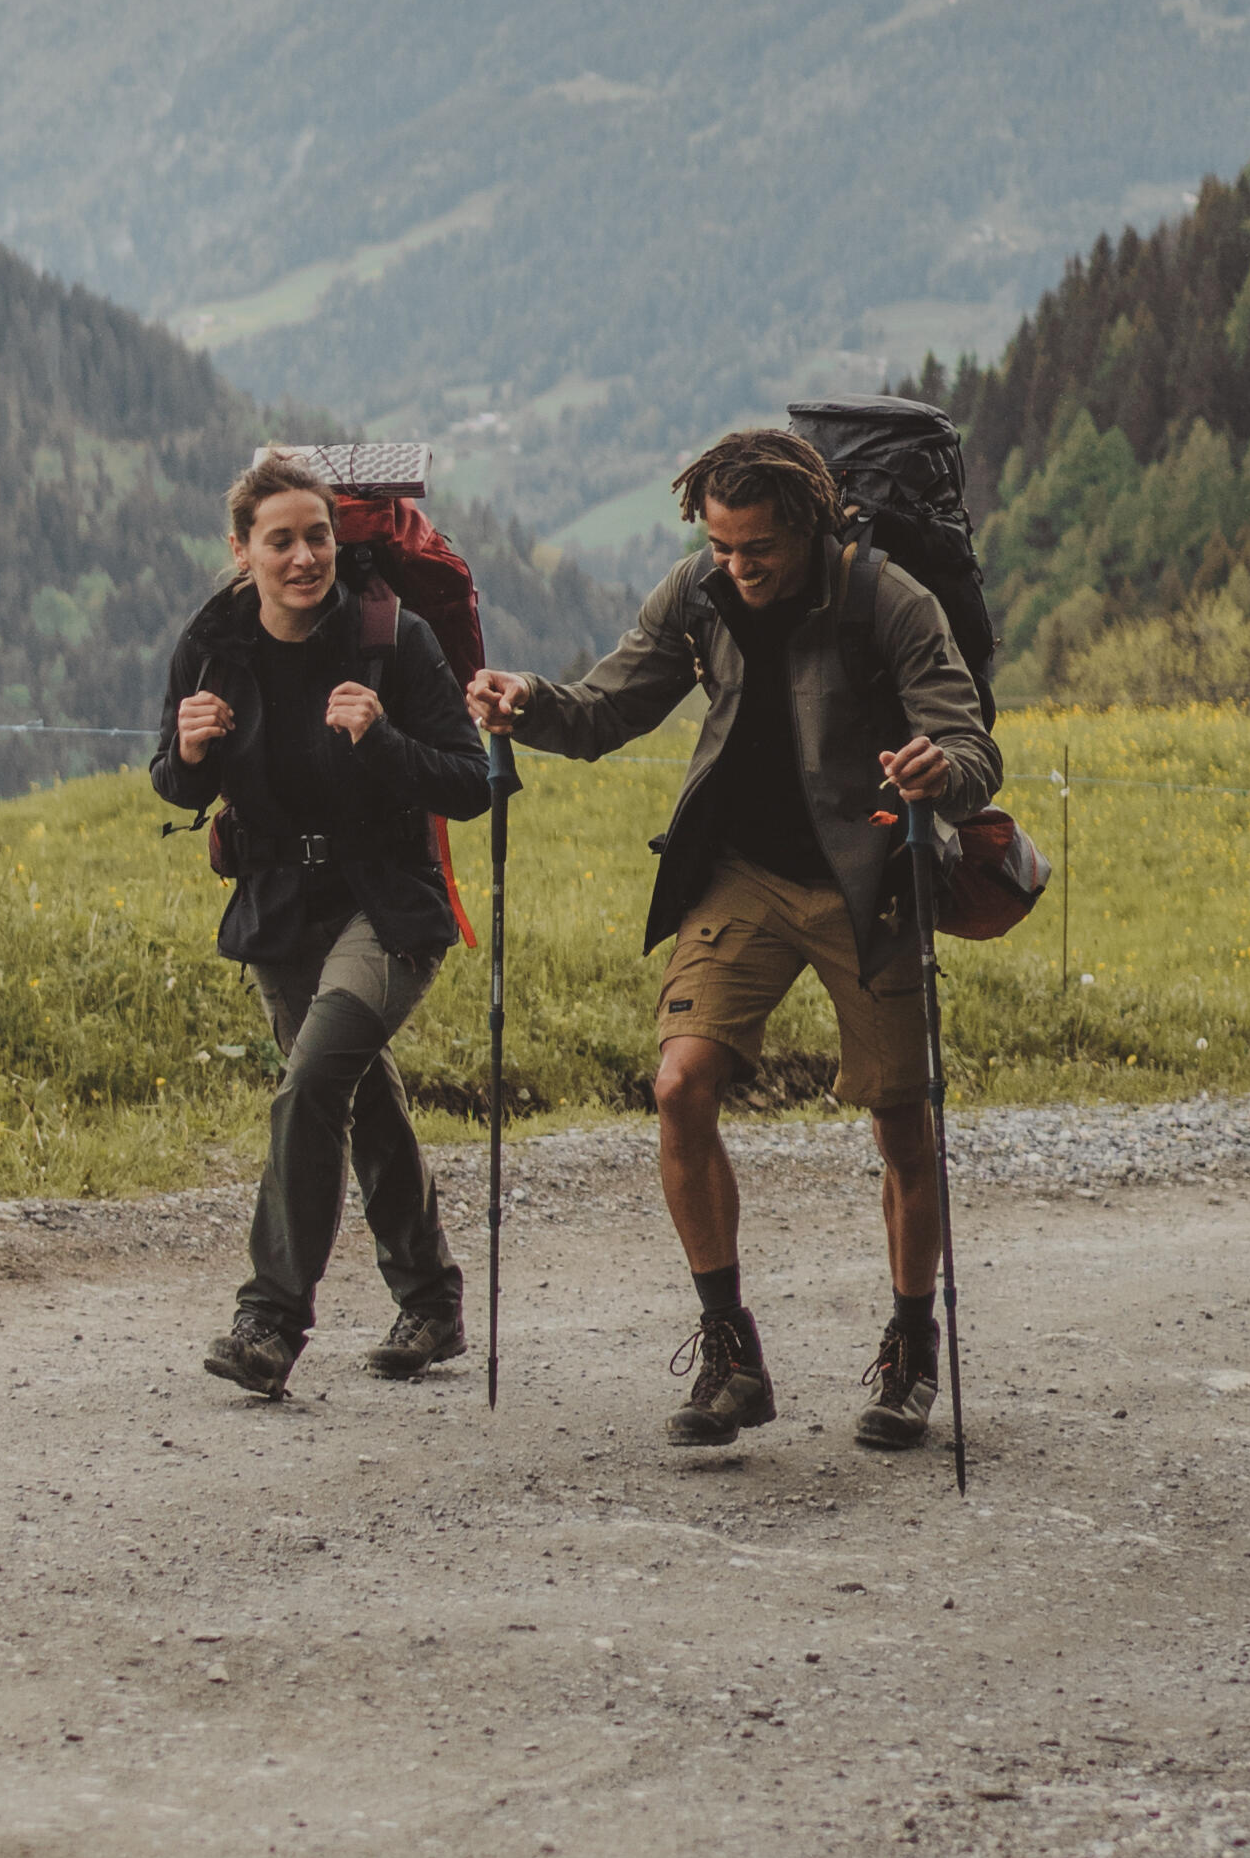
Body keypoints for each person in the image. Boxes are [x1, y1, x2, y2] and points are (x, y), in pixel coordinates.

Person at [465, 422, 998, 1454]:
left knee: (899, 1118)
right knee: (679, 1083)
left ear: (806, 523)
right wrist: (525, 702)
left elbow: (970, 741)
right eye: (719, 545)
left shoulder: (888, 599)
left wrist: (944, 771)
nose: (736, 566)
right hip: (741, 873)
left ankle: (908, 1343)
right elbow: (603, 711)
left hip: (869, 873)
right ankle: (729, 1348)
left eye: (755, 548)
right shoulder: (697, 594)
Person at [156, 448, 494, 1401]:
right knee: (358, 1095)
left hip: (386, 903)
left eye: (318, 537)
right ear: (242, 549)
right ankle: (430, 1298)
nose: (304, 558)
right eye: (281, 541)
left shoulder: (394, 636)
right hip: (276, 910)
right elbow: (177, 780)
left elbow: (470, 783)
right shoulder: (213, 641)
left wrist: (381, 739)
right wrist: (185, 755)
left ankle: (269, 1319)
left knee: (313, 1078)